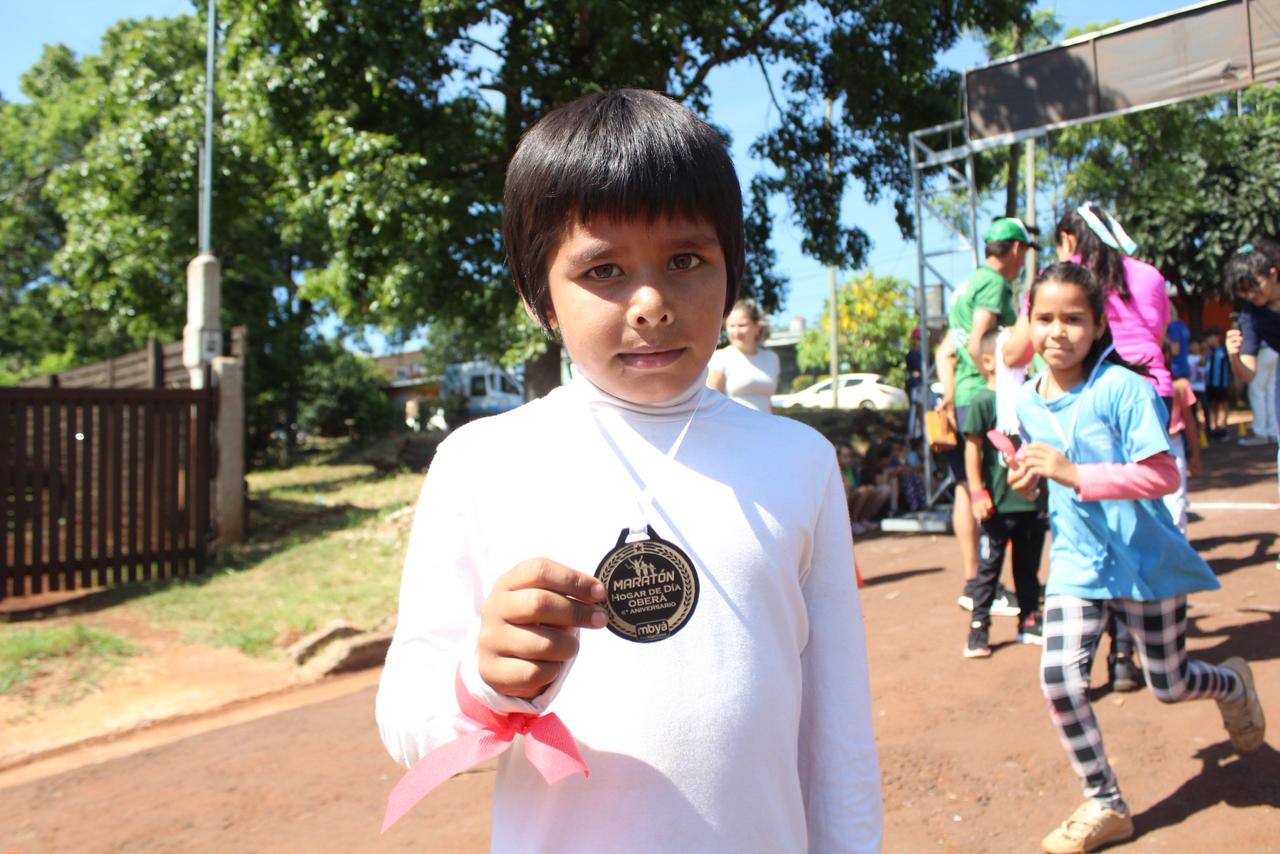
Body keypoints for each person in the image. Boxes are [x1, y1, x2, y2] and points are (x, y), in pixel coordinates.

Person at [375, 89, 883, 851]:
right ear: (537, 294)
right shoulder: (481, 463)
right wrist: (484, 678)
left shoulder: (800, 463)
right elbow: (410, 722)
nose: (650, 302)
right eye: (603, 270)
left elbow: (838, 723)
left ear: (731, 268)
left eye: (686, 259)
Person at [1008, 262, 1266, 854]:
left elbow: (1160, 473)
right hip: (1078, 564)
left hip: (1145, 562)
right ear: (1029, 322)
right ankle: (1105, 801)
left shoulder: (1120, 388)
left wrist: (1074, 473)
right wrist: (1029, 477)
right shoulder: (1026, 401)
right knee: (1060, 682)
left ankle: (1231, 686)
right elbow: (1045, 470)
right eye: (1044, 318)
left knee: (1169, 684)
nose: (1057, 331)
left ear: (1099, 325)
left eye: (1074, 319)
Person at [938, 216, 1033, 618]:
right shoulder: (995, 284)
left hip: (963, 395)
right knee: (999, 487)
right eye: (1025, 252)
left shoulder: (967, 285)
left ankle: (976, 581)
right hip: (986, 396)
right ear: (1014, 250)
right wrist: (992, 378)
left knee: (966, 485)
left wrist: (950, 394)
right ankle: (996, 584)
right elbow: (977, 340)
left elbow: (946, 349)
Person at [961, 329, 1046, 658]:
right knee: (989, 567)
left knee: (1028, 567)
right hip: (996, 503)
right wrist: (977, 492)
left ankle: (1028, 619)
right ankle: (978, 627)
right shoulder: (983, 401)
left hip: (1030, 501)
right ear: (989, 361)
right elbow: (972, 449)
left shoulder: (1031, 396)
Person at [1224, 239, 1280, 496]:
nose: (1251, 296)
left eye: (1254, 287)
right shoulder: (1251, 316)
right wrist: (1233, 355)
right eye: (1243, 292)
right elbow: (1248, 374)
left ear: (1273, 272)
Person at [707, 297, 780, 412]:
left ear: (757, 327)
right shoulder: (720, 358)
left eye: (742, 325)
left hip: (765, 427)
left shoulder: (771, 358)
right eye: (731, 326)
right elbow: (710, 403)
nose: (736, 332)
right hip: (732, 427)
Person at [1203, 327, 1232, 438]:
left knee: (1223, 404)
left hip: (1221, 383)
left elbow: (1229, 366)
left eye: (1213, 337)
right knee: (1212, 405)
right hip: (1209, 384)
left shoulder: (1223, 350)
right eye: (1208, 338)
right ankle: (1213, 426)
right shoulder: (1206, 352)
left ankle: (1223, 426)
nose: (1211, 340)